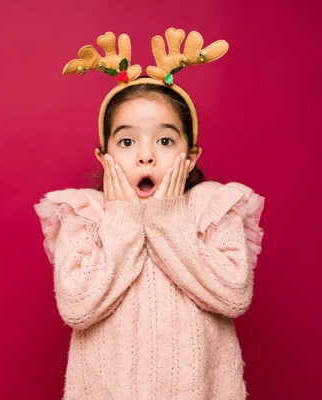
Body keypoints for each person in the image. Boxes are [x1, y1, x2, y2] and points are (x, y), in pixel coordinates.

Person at [34, 28, 265, 399]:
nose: (146, 156)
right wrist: (124, 220)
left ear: (190, 157)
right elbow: (77, 308)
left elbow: (233, 296)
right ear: (104, 156)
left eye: (165, 140)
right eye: (127, 141)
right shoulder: (83, 216)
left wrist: (167, 220)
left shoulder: (215, 209)